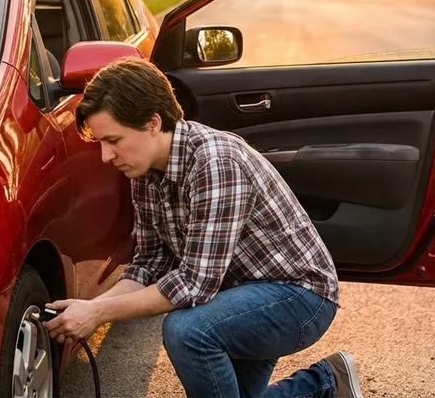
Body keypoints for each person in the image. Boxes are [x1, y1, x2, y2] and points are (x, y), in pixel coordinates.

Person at [44, 57, 364, 398]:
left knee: (187, 331)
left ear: (153, 123)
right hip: (236, 295)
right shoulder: (145, 171)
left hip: (297, 296)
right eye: (101, 144)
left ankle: (327, 383)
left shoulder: (214, 162)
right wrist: (88, 308)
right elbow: (151, 263)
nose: (106, 156)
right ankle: (328, 383)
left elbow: (194, 286)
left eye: (114, 140)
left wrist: (98, 312)